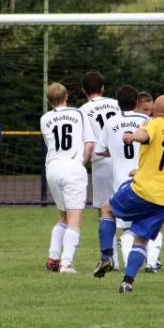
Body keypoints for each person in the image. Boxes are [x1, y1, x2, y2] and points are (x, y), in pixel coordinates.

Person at [93, 95, 164, 294]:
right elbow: (162, 164)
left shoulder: (154, 123)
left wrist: (133, 136)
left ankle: (107, 256)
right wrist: (140, 171)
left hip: (146, 191)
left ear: (153, 111)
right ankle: (127, 282)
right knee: (140, 239)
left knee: (107, 209)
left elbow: (145, 133)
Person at [94, 85, 150, 272]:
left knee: (120, 222)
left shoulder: (110, 122)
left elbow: (100, 150)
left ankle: (111, 259)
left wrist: (116, 151)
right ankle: (148, 262)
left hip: (121, 180)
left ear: (118, 104)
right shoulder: (145, 120)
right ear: (136, 102)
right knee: (147, 222)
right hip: (146, 178)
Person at [42, 83, 96, 273]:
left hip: (53, 169)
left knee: (64, 215)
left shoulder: (45, 118)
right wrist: (82, 162)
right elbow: (89, 144)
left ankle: (53, 257)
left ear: (49, 100)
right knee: (74, 219)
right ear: (66, 96)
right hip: (72, 168)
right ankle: (66, 263)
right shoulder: (79, 114)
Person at [79, 71, 120, 216]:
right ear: (102, 88)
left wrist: (80, 164)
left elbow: (86, 143)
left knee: (104, 210)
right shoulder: (117, 104)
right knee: (128, 208)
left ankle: (111, 240)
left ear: (84, 90)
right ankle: (130, 238)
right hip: (124, 160)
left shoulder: (82, 111)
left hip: (101, 163)